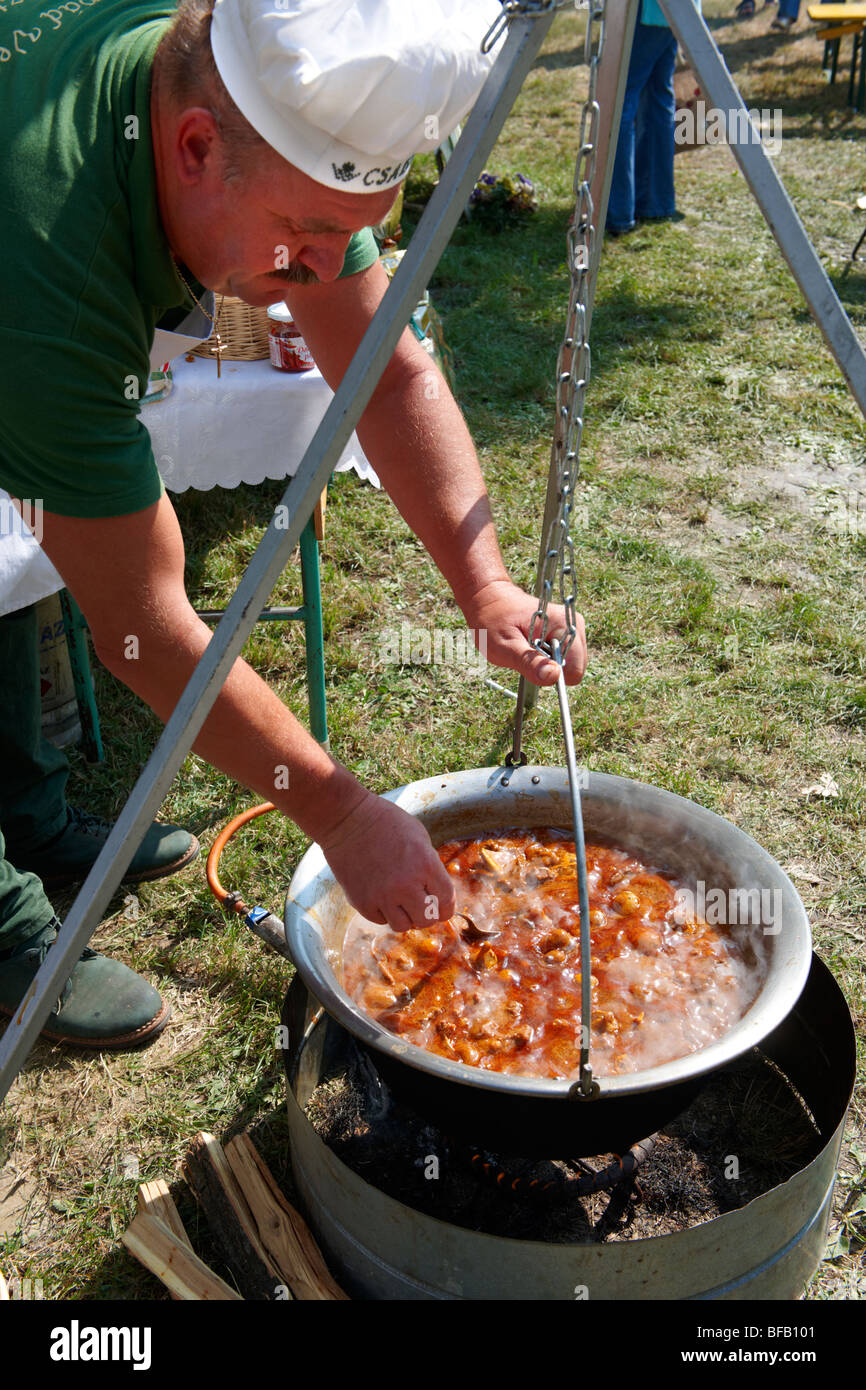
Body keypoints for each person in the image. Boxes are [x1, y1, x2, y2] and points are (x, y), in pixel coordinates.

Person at [0, 0, 587, 1050]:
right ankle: (5, 929)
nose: (315, 276)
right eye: (302, 241)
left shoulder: (256, 107)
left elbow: (385, 370)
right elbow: (140, 627)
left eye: (343, 234)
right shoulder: (48, 277)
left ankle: (34, 817)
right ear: (189, 149)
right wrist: (343, 814)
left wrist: (483, 582)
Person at [606, 0, 682, 236]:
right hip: (676, 10)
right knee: (656, 96)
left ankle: (615, 210)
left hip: (645, 8)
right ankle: (654, 201)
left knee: (620, 97)